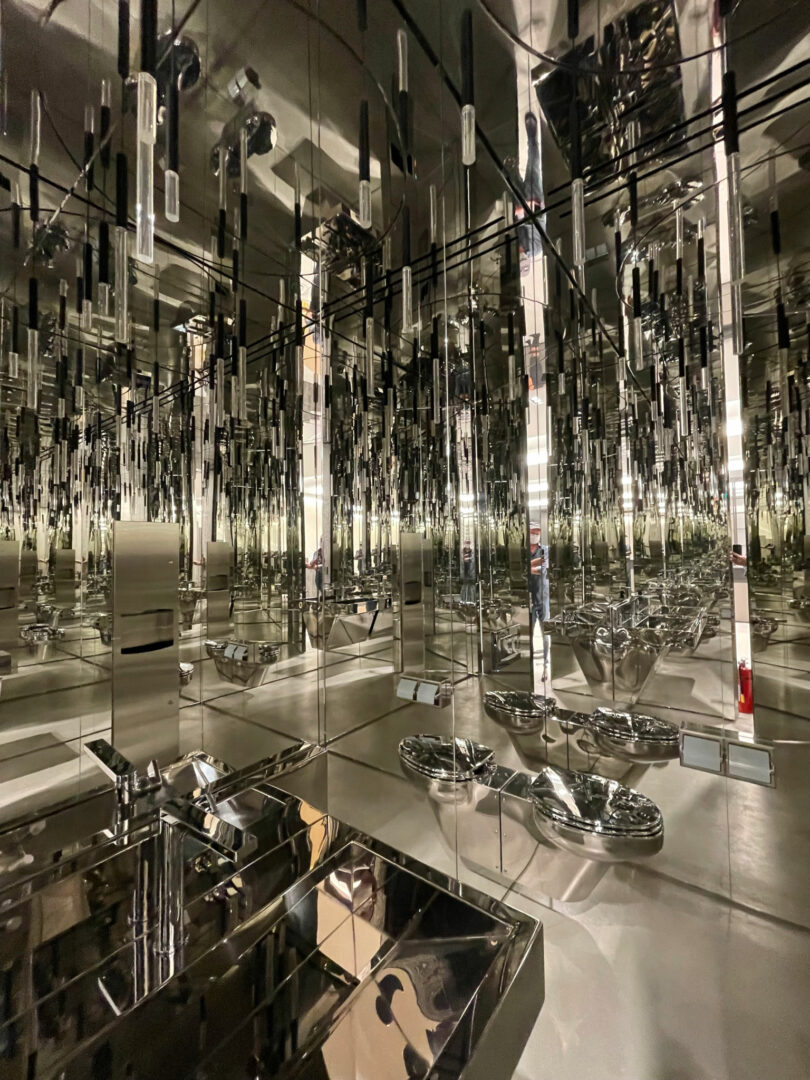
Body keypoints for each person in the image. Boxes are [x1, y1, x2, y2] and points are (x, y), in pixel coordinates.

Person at [529, 522, 550, 669]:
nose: (535, 536)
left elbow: (541, 569)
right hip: (528, 597)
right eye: (532, 533)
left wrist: (529, 567)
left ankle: (546, 660)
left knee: (545, 630)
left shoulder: (545, 550)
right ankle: (529, 659)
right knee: (528, 631)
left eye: (537, 533)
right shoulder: (524, 551)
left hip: (542, 596)